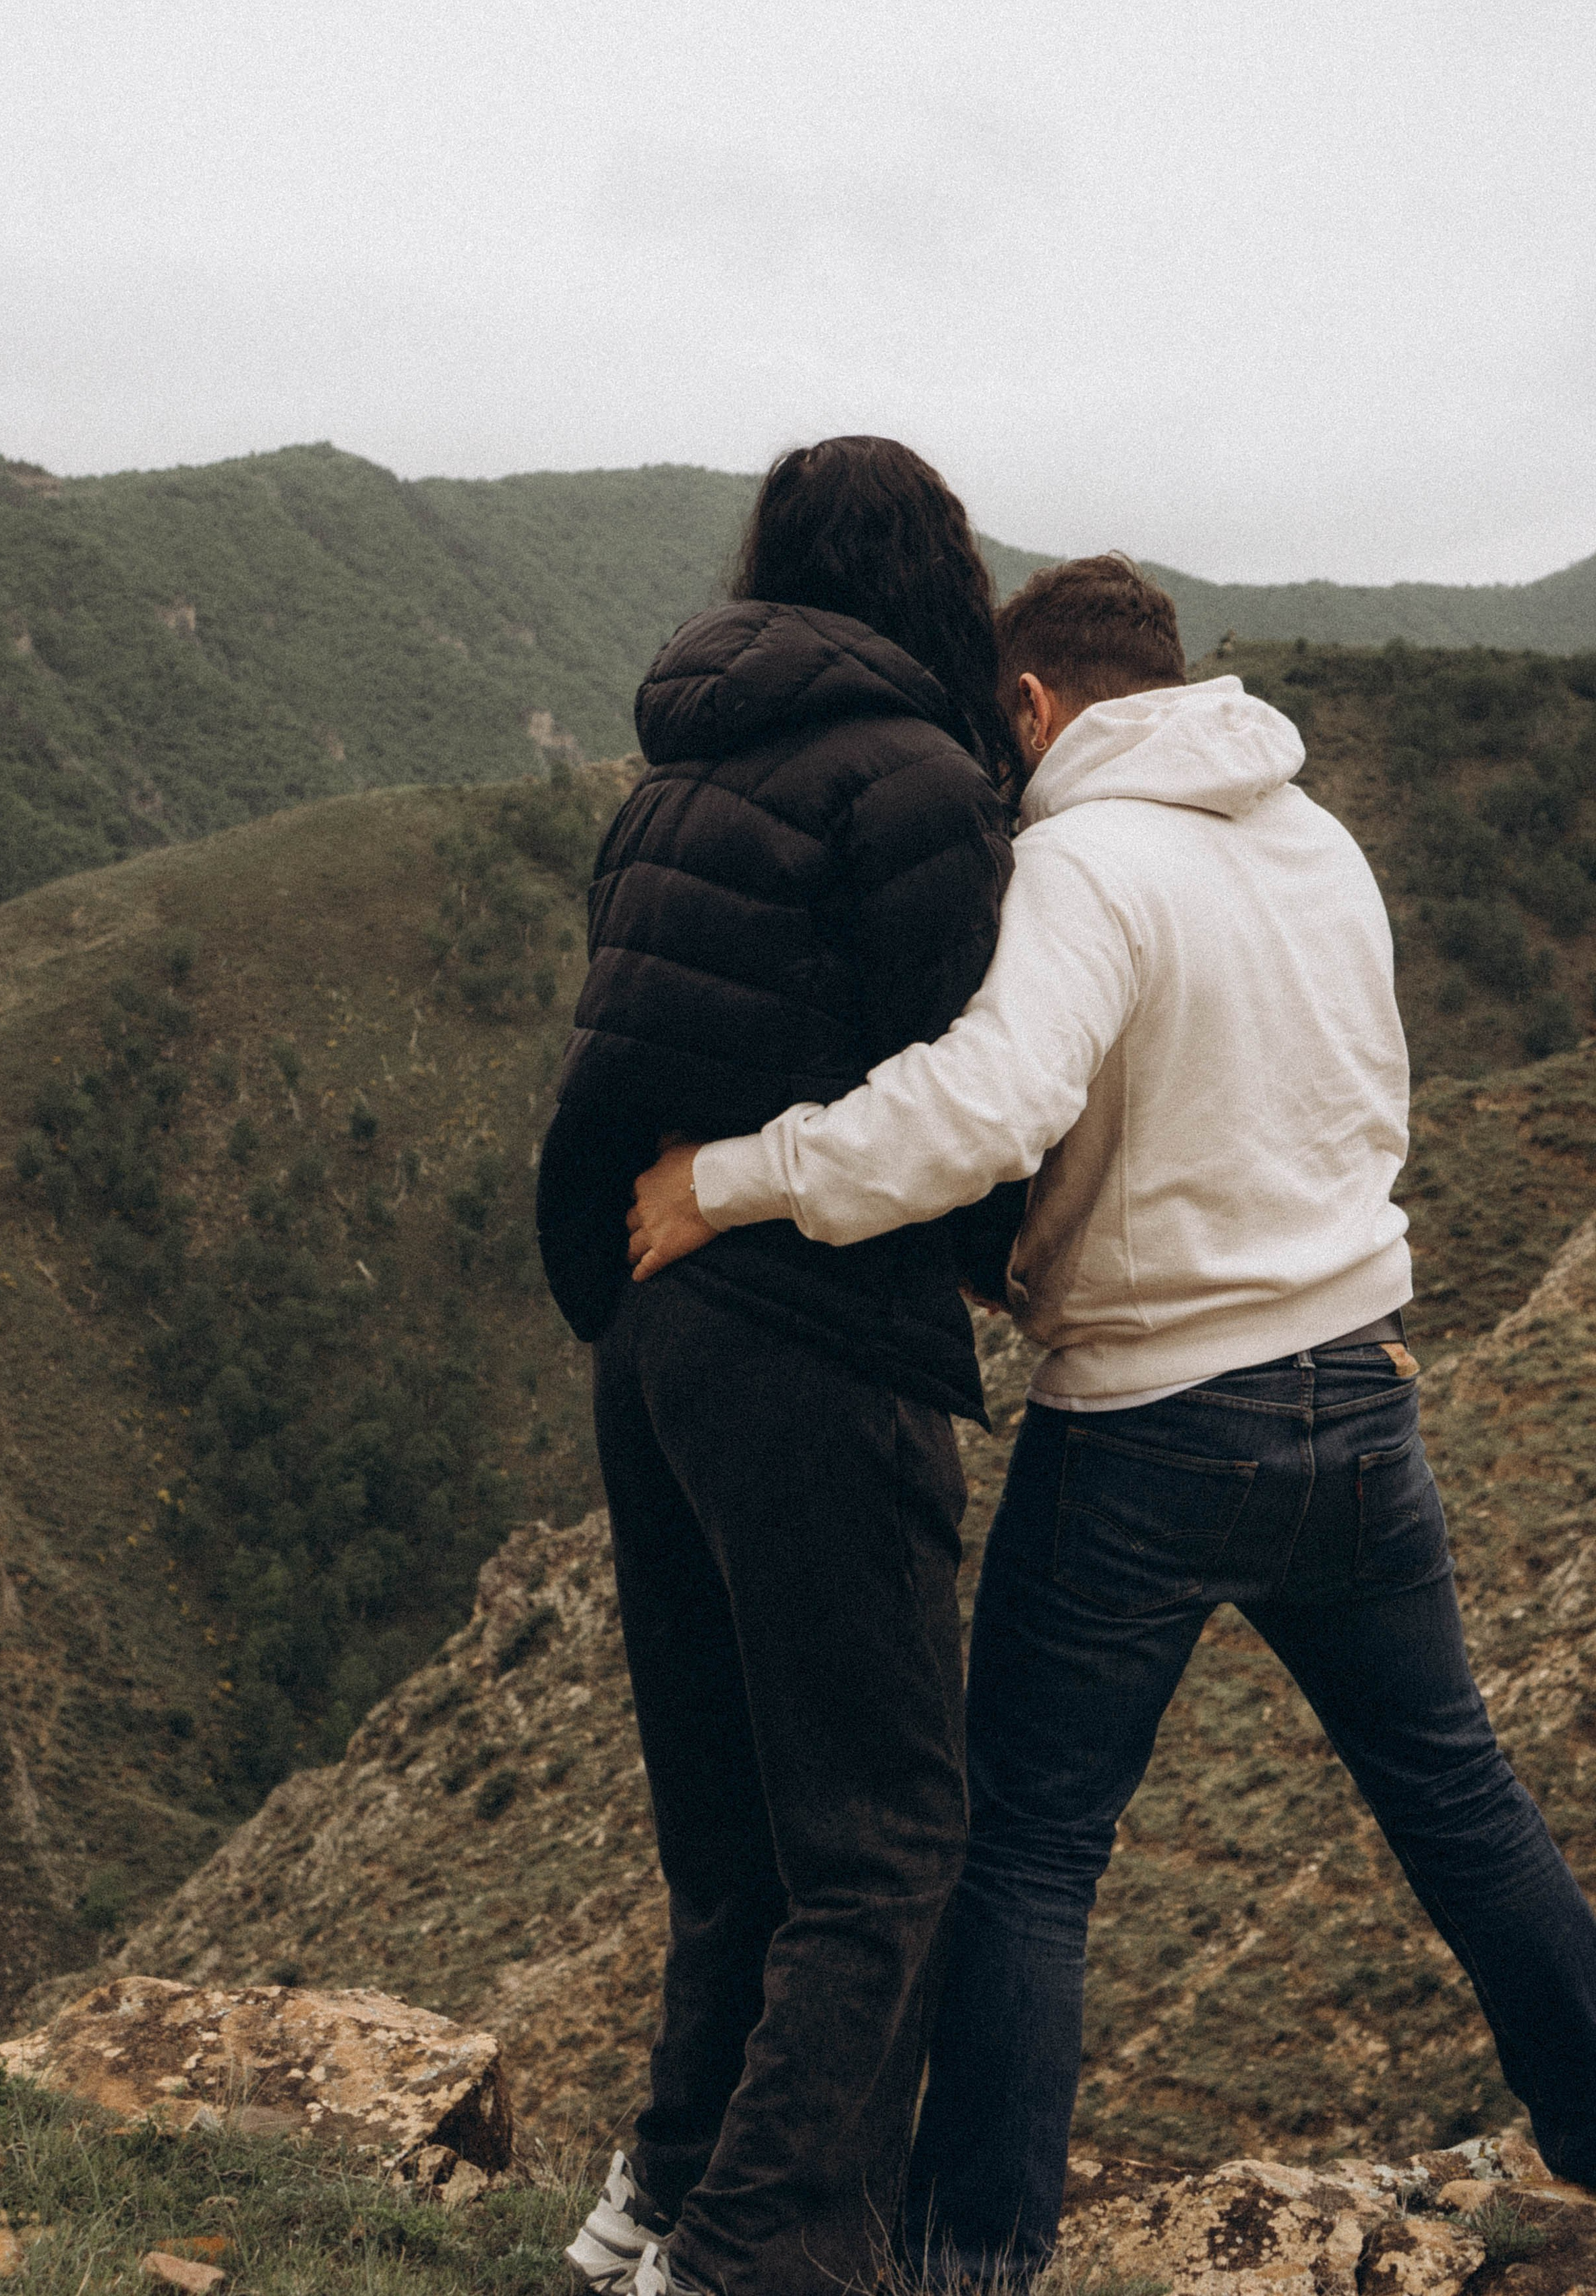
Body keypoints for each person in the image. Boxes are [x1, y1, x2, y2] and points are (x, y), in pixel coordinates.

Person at [628, 554, 1596, 2287]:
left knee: (1024, 1856)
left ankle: (967, 2265)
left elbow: (983, 1108)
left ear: (1029, 707)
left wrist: (738, 1176)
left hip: (1153, 1429)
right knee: (1454, 1796)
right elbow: (1339, 1106)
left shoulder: (1082, 861)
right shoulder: (1318, 841)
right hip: (1361, 1397)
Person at [536, 438, 1029, 2296]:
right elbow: (958, 1089)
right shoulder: (912, 783)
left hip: (651, 1335)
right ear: (937, 579)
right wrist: (1007, 1270)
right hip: (818, 1341)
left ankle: (656, 2199)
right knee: (887, 1834)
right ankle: (757, 2253)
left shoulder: (676, 777)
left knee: (733, 1831)